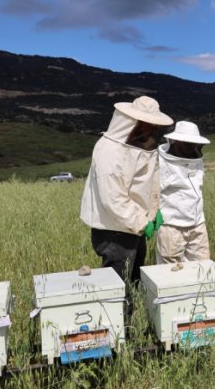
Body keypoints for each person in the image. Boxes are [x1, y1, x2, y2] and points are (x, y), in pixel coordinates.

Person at [80, 96, 173, 295]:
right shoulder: (110, 150)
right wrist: (142, 222)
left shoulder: (143, 146)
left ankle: (131, 322)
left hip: (133, 226)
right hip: (114, 231)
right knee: (118, 287)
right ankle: (119, 324)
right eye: (148, 125)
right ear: (133, 123)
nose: (152, 131)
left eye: (154, 126)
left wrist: (153, 211)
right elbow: (113, 198)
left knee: (134, 281)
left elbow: (150, 182)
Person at [156, 121, 211, 264]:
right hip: (172, 226)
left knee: (202, 268)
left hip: (198, 224)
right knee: (170, 274)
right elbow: (152, 192)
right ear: (177, 142)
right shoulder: (160, 162)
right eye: (188, 143)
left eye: (194, 143)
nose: (192, 147)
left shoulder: (195, 158)